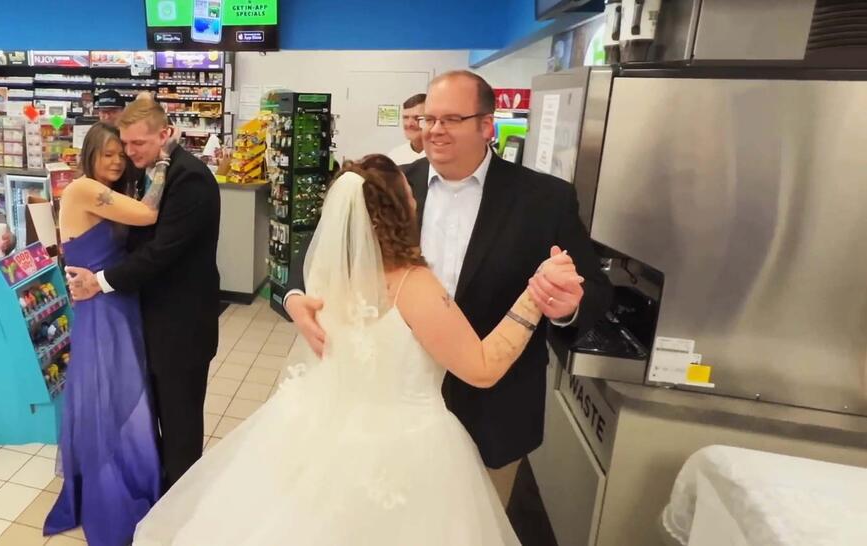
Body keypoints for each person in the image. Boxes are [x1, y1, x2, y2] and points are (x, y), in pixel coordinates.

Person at [132, 154, 576, 544]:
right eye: (410, 195)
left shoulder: (333, 277)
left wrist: (291, 296)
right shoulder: (413, 285)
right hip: (407, 446)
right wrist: (534, 297)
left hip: (328, 428)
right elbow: (482, 367)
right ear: (400, 212)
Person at [287, 71, 613, 524]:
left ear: (486, 125)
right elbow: (322, 246)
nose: (434, 131)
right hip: (392, 425)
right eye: (428, 119)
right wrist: (296, 296)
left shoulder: (543, 199)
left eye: (451, 119)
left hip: (494, 411)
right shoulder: (393, 187)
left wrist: (567, 307)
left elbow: (594, 289)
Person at [65, 93, 221, 490]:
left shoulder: (191, 179)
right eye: (122, 145)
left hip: (180, 328)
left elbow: (160, 253)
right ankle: (152, 491)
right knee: (145, 413)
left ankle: (180, 508)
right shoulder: (142, 173)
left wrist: (99, 281)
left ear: (165, 134)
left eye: (137, 145)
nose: (128, 155)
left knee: (180, 424)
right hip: (140, 320)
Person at [44, 122, 165, 545]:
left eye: (122, 153)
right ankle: (109, 493)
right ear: (90, 153)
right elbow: (149, 214)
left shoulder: (107, 193)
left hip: (116, 302)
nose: (116, 160)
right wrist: (165, 160)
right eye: (108, 153)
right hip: (101, 309)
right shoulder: (81, 190)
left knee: (120, 393)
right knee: (107, 397)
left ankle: (124, 474)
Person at [387, 93, 427, 165]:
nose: (409, 124)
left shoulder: (441, 155)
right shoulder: (395, 156)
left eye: (417, 118)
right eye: (405, 117)